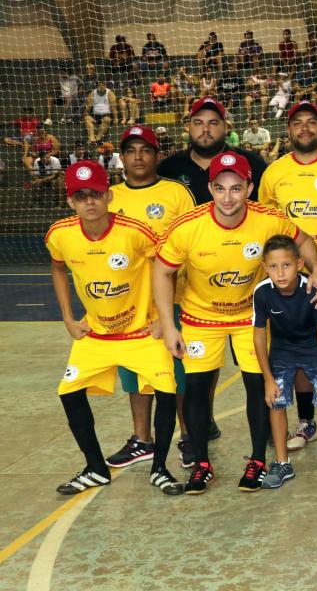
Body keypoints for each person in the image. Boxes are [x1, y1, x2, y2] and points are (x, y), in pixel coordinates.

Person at [153, 152, 317, 494]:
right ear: (210, 188)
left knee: (258, 386)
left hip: (251, 317)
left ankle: (258, 460)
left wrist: (316, 269)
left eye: (236, 189)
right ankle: (201, 463)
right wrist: (168, 325)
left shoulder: (267, 219)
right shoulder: (188, 226)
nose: (228, 197)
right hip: (201, 316)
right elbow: (162, 271)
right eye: (220, 189)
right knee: (197, 390)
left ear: (249, 188)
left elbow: (304, 241)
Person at [46, 162, 182, 496]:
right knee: (68, 392)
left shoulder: (135, 232)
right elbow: (58, 268)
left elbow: (164, 268)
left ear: (108, 196)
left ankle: (161, 468)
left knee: (167, 391)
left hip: (140, 334)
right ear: (70, 202)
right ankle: (95, 468)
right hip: (96, 335)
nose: (89, 202)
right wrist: (67, 317)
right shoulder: (60, 234)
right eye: (80, 197)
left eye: (95, 195)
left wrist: (162, 319)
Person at [258, 100, 317, 449]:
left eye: (311, 122)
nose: (304, 128)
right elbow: (269, 227)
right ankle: (306, 421)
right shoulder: (274, 173)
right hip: (292, 278)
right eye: (297, 122)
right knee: (296, 346)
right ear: (289, 130)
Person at [106, 125, 195, 469]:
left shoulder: (175, 194)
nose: (138, 156)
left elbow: (189, 244)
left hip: (173, 300)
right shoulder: (111, 197)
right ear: (122, 157)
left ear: (157, 156)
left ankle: (188, 436)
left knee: (178, 371)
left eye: (146, 149)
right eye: (131, 150)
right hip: (129, 305)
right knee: (134, 374)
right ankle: (142, 439)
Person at [252, 236, 317, 489]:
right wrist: (269, 380)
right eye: (273, 267)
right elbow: (259, 338)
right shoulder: (262, 293)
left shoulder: (312, 289)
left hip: (313, 347)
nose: (280, 273)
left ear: (299, 263)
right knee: (276, 400)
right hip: (282, 350)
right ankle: (282, 463)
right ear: (264, 267)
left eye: (287, 265)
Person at [158, 97, 268, 204]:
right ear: (188, 127)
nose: (205, 129)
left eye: (213, 123)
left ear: (226, 127)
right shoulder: (168, 168)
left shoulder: (254, 164)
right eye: (198, 123)